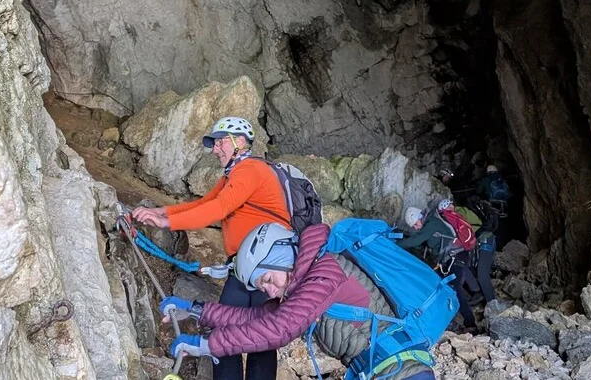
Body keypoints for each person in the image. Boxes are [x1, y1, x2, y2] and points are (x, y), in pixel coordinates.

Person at [159, 222, 439, 380]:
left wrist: (206, 345)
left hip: (406, 374)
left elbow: (280, 329)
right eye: (262, 286)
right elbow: (255, 318)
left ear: (282, 259)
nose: (268, 291)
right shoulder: (301, 285)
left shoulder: (326, 272)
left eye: (267, 279)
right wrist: (194, 310)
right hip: (381, 372)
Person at [130, 116, 288, 380]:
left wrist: (167, 222)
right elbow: (205, 203)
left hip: (268, 271)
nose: (215, 149)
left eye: (219, 142)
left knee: (261, 339)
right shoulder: (233, 175)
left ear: (239, 143)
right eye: (214, 144)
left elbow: (218, 209)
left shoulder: (250, 170)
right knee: (226, 328)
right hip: (242, 269)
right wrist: (161, 212)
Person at [397, 203, 477, 332]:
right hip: (454, 259)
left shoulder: (432, 223)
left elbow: (415, 241)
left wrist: (394, 245)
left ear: (419, 217)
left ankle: (471, 324)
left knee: (455, 290)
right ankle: (450, 321)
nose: (416, 228)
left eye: (416, 224)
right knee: (441, 288)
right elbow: (418, 245)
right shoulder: (430, 224)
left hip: (456, 258)